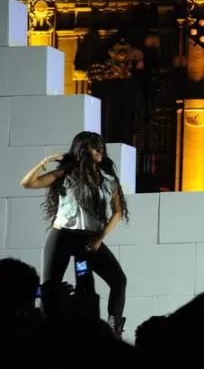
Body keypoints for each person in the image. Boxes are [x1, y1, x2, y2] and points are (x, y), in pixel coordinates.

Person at [18, 131, 130, 335]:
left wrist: (100, 237)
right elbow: (27, 183)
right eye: (94, 146)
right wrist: (44, 162)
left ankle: (113, 330)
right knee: (51, 287)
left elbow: (118, 211)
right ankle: (45, 332)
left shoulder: (107, 179)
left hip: (87, 243)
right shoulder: (66, 174)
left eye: (100, 146)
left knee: (112, 281)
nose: (99, 150)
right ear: (82, 149)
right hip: (62, 237)